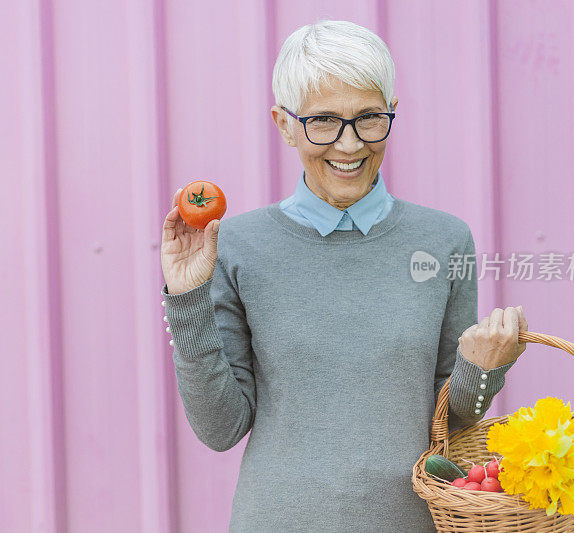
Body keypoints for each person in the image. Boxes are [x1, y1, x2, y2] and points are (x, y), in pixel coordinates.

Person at [159, 19, 528, 533]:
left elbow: (454, 419)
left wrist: (486, 369)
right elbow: (221, 428)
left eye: (368, 118)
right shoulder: (236, 246)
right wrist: (187, 296)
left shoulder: (444, 240)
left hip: (412, 522)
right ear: (284, 124)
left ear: (392, 112)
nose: (349, 145)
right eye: (323, 121)